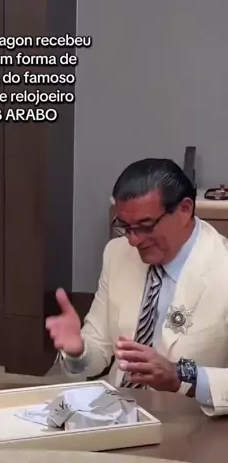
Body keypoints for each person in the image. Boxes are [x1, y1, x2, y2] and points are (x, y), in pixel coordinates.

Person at [46, 158, 228, 417]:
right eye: (125, 227)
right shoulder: (117, 254)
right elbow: (96, 350)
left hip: (191, 421)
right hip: (118, 412)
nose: (133, 240)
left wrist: (180, 376)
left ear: (185, 209)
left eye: (144, 226)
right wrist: (78, 351)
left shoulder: (222, 267)